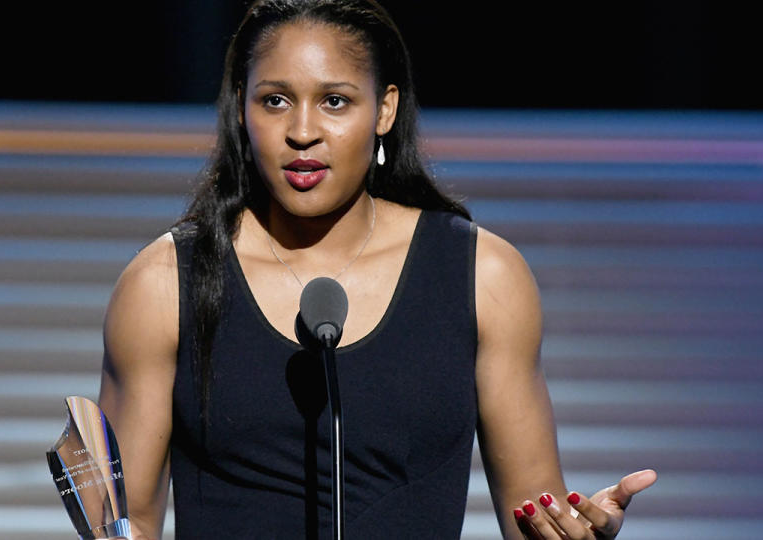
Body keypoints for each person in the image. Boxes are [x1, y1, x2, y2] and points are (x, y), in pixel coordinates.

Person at [97, 1, 657, 538]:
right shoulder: (165, 282)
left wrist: (579, 530)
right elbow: (128, 524)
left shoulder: (482, 275)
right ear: (242, 108)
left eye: (335, 101)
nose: (303, 131)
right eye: (274, 101)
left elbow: (534, 514)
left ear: (385, 109)